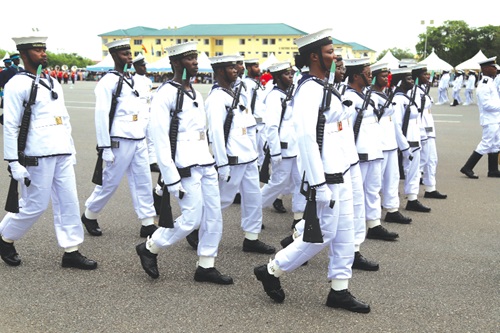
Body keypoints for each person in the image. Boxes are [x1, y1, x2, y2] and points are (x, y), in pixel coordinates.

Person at [254, 28, 370, 313]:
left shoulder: (323, 85)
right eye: (330, 52)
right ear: (315, 56)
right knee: (324, 233)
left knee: (344, 233)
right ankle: (272, 269)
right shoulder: (308, 90)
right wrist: (317, 185)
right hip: (325, 174)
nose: (336, 56)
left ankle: (339, 290)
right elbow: (306, 139)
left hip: (340, 168)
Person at [135, 42, 233, 284]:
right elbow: (159, 138)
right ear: (176, 63)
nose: (195, 63)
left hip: (205, 163)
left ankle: (206, 265)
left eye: (195, 58)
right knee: (191, 219)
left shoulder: (196, 93)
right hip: (184, 166)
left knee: (213, 217)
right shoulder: (165, 94)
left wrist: (216, 163)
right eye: (189, 59)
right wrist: (170, 177)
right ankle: (150, 247)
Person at [0, 34, 97, 270]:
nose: (43, 53)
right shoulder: (17, 84)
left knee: (69, 202)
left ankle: (71, 250)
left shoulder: (52, 81)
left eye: (44, 49)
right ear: (24, 55)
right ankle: (5, 238)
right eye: (37, 50)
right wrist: (14, 162)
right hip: (37, 155)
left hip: (61, 151)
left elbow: (64, 119)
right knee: (35, 205)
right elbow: (10, 126)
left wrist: (70, 149)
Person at [81, 38, 157, 238]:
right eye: (125, 54)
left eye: (130, 53)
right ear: (114, 56)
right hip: (119, 139)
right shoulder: (108, 81)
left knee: (143, 180)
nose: (129, 57)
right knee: (110, 182)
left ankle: (147, 222)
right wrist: (105, 146)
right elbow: (101, 116)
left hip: (138, 137)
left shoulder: (135, 80)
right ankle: (89, 214)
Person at [206, 54, 275, 254]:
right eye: (231, 67)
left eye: (236, 66)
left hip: (249, 157)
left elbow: (249, 125)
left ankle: (251, 238)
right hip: (233, 159)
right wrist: (222, 163)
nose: (236, 69)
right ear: (220, 71)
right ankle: (197, 228)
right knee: (222, 200)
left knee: (253, 199)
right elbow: (216, 134)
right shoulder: (217, 98)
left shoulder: (238, 92)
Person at [343, 58, 399, 242]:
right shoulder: (349, 98)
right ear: (356, 76)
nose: (370, 77)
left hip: (375, 151)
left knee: (373, 190)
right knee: (354, 196)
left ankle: (373, 224)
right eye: (367, 74)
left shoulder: (366, 95)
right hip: (360, 154)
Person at [260, 62, 305, 229]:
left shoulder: (290, 94)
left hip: (295, 148)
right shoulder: (274, 96)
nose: (291, 77)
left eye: (291, 74)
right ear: (278, 77)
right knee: (277, 183)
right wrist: (275, 151)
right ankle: (254, 210)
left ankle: (298, 217)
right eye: (287, 74)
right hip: (283, 148)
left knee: (301, 181)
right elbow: (271, 126)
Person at [370, 64, 412, 224]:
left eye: (387, 76)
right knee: (375, 183)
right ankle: (372, 220)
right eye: (382, 76)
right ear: (374, 77)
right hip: (378, 146)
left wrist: (404, 146)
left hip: (391, 145)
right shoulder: (371, 97)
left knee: (392, 179)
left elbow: (394, 124)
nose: (386, 79)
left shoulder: (386, 94)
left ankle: (392, 209)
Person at [391, 67, 431, 213]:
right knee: (400, 173)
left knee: (414, 172)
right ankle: (394, 202)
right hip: (407, 143)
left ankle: (412, 198)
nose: (412, 81)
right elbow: (397, 125)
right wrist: (404, 146)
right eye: (408, 79)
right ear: (400, 81)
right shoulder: (398, 100)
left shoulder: (407, 97)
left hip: (415, 141)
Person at [460, 57, 500, 179]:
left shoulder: (491, 82)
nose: (495, 70)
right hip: (489, 119)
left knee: (496, 144)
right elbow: (487, 105)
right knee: (486, 143)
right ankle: (467, 167)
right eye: (493, 67)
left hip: (495, 118)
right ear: (486, 69)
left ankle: (493, 170)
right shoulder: (484, 84)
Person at [412, 65, 447, 199]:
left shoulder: (422, 89)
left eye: (428, 74)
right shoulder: (414, 92)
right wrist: (421, 133)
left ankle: (430, 188)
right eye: (424, 74)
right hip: (422, 131)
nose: (427, 76)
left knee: (432, 159)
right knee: (420, 162)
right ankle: (412, 194)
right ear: (417, 77)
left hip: (429, 130)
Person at [132, 53, 159, 173]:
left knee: (152, 137)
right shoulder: (132, 80)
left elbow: (149, 95)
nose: (145, 68)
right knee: (140, 137)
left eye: (145, 65)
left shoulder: (148, 80)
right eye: (142, 66)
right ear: (136, 67)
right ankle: (139, 160)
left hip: (149, 110)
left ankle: (152, 161)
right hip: (140, 111)